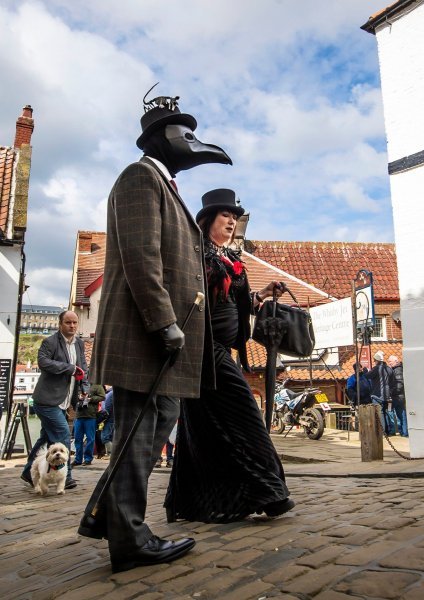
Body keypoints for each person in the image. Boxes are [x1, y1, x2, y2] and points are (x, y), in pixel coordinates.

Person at [78, 89, 232, 573]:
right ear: (163, 138)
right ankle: (130, 539)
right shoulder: (139, 178)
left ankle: (113, 520)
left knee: (142, 438)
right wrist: (164, 322)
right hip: (145, 341)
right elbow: (142, 258)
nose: (193, 143)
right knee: (138, 438)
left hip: (163, 346)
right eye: (185, 134)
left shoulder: (162, 184)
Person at [164, 188, 294, 524]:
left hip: (222, 351)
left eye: (235, 218)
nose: (232, 222)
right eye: (226, 216)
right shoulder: (194, 254)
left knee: (203, 428)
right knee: (247, 414)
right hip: (202, 350)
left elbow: (232, 305)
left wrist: (261, 295)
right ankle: (270, 491)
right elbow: (188, 296)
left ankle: (197, 501)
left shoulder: (230, 259)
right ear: (208, 220)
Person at [21, 310, 89, 489]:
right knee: (63, 434)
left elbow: (82, 368)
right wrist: (69, 368)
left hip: (65, 400)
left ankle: (28, 472)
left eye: (75, 323)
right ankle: (66, 477)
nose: (72, 326)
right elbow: (43, 362)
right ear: (60, 324)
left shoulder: (80, 344)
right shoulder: (49, 342)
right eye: (68, 322)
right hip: (46, 400)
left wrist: (85, 389)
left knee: (45, 438)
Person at [72, 383, 105, 466]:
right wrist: (78, 398)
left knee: (90, 439)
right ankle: (78, 459)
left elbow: (102, 396)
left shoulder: (97, 385)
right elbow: (73, 397)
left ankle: (88, 459)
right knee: (77, 438)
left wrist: (90, 399)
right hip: (79, 416)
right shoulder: (79, 385)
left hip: (91, 416)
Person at [364, 350, 396, 435]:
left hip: (377, 395)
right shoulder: (389, 369)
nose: (374, 362)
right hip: (387, 395)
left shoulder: (376, 369)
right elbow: (393, 382)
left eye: (374, 360)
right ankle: (390, 431)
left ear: (377, 360)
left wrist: (365, 370)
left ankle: (382, 432)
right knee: (387, 412)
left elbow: (368, 376)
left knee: (380, 413)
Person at [388, 355, 408, 437]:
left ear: (396, 361)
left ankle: (404, 432)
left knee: (401, 415)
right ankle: (402, 431)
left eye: (390, 362)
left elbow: (399, 385)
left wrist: (391, 392)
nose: (389, 363)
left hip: (398, 397)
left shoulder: (398, 370)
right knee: (399, 415)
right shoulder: (395, 369)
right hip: (397, 396)